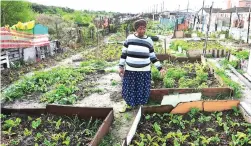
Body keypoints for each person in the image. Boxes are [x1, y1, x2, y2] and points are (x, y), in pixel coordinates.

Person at [118, 19, 165, 113]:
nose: (142, 31)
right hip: (130, 70)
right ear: (136, 29)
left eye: (144, 28)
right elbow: (124, 54)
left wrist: (160, 68)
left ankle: (140, 106)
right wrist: (121, 67)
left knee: (142, 89)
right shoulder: (129, 38)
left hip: (144, 71)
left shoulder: (149, 41)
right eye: (140, 28)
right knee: (129, 89)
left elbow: (152, 57)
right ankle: (128, 104)